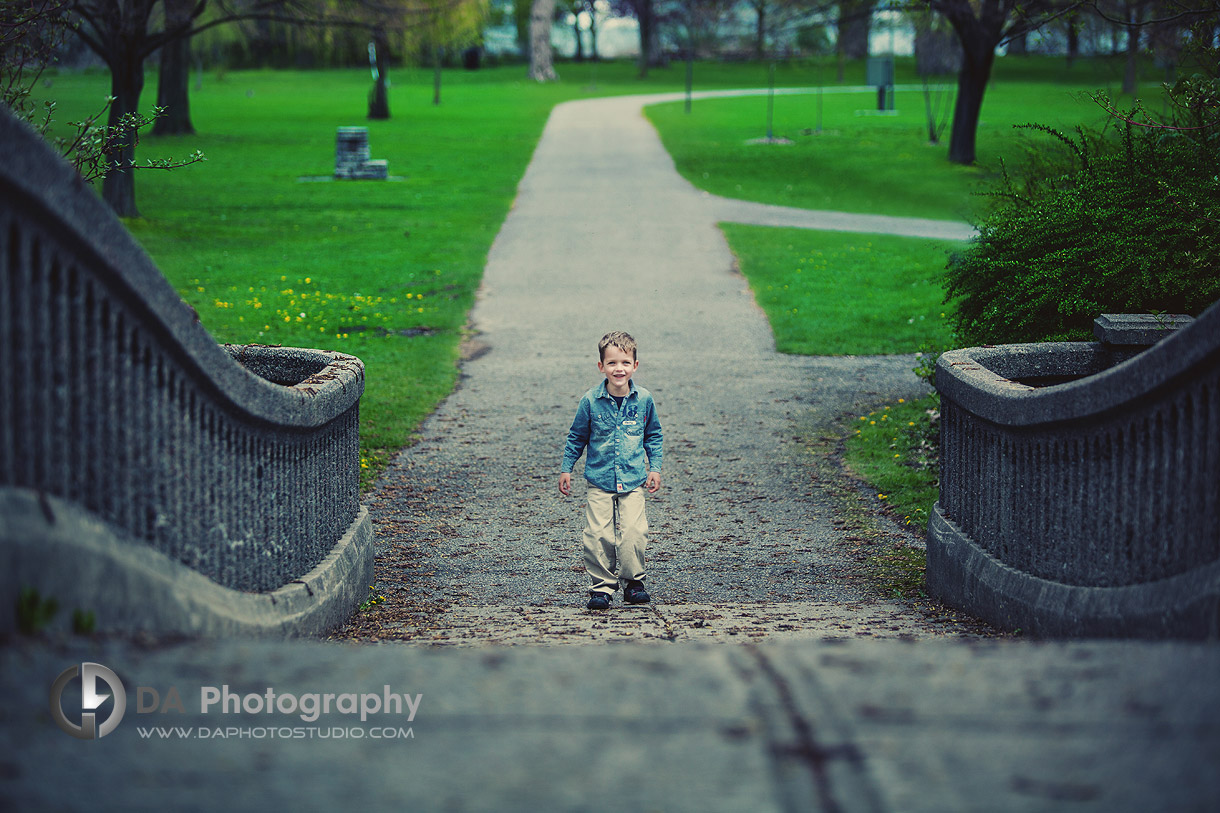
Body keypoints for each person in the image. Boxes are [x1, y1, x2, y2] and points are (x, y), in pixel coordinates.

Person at [559, 331, 663, 610]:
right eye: (613, 363)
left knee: (633, 532)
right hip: (600, 480)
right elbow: (576, 436)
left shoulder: (644, 400)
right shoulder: (590, 401)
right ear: (601, 366)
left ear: (635, 366)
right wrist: (566, 468)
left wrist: (655, 468)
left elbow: (653, 435)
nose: (619, 369)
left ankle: (634, 583)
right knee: (597, 535)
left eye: (626, 363)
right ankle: (601, 588)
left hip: (632, 481)